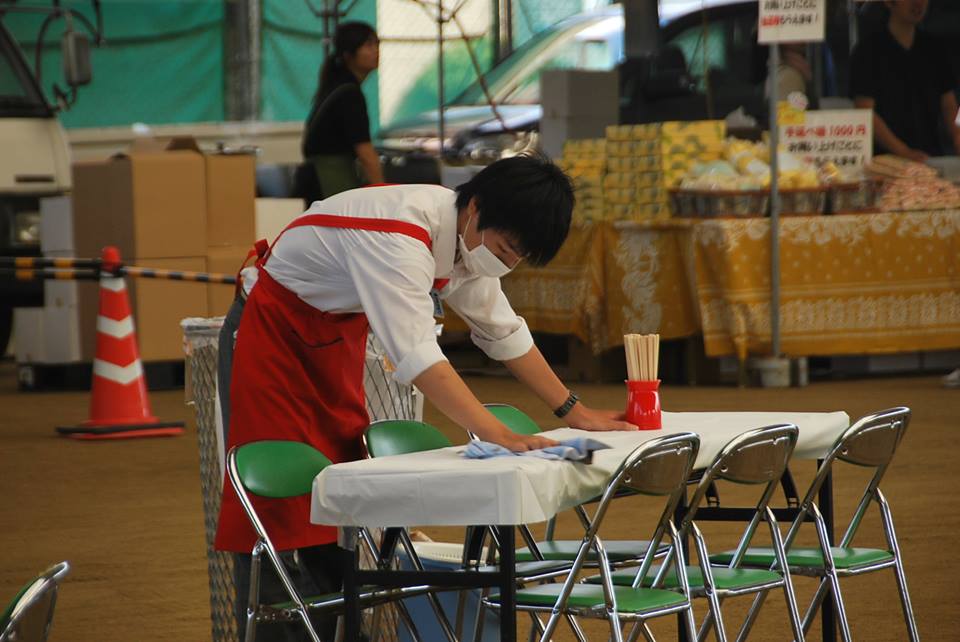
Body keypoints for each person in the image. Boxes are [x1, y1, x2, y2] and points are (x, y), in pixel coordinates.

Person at [215, 154, 637, 640]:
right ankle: (278, 631)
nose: (504, 263)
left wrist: (575, 412)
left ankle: (339, 627)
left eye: (516, 259)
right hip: (269, 338)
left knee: (339, 492)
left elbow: (503, 333)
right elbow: (419, 358)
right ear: (475, 209)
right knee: (275, 503)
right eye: (504, 248)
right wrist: (495, 433)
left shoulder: (466, 242)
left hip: (328, 343)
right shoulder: (399, 237)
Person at [850, 0, 960, 160]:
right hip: (885, 162)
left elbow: (950, 105)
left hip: (932, 158)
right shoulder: (867, 50)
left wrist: (957, 134)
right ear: (889, 2)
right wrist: (904, 152)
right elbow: (865, 111)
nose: (918, 3)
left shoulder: (934, 48)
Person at [299, 21, 384, 202]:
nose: (376, 51)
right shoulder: (349, 93)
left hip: (318, 180)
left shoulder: (339, 87)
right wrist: (385, 195)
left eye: (377, 44)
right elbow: (366, 154)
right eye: (368, 45)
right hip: (327, 183)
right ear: (349, 55)